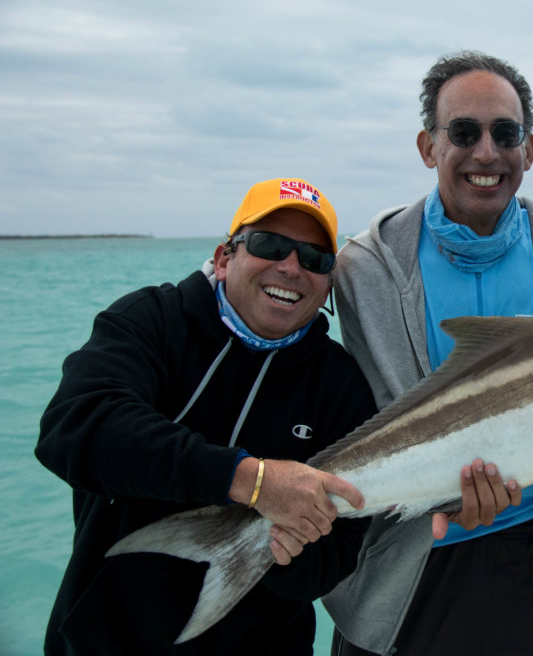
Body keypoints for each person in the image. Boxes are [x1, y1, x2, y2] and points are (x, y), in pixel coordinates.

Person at [323, 50, 533, 656]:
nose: (486, 153)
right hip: (412, 561)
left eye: (506, 133)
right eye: (464, 133)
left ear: (529, 148)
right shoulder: (363, 266)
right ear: (428, 146)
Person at [35, 178, 378, 655]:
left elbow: (339, 552)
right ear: (224, 256)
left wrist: (292, 552)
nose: (291, 267)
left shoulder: (342, 386)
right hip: (103, 638)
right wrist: (251, 481)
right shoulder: (150, 320)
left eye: (315, 259)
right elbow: (74, 428)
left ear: (327, 289)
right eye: (270, 244)